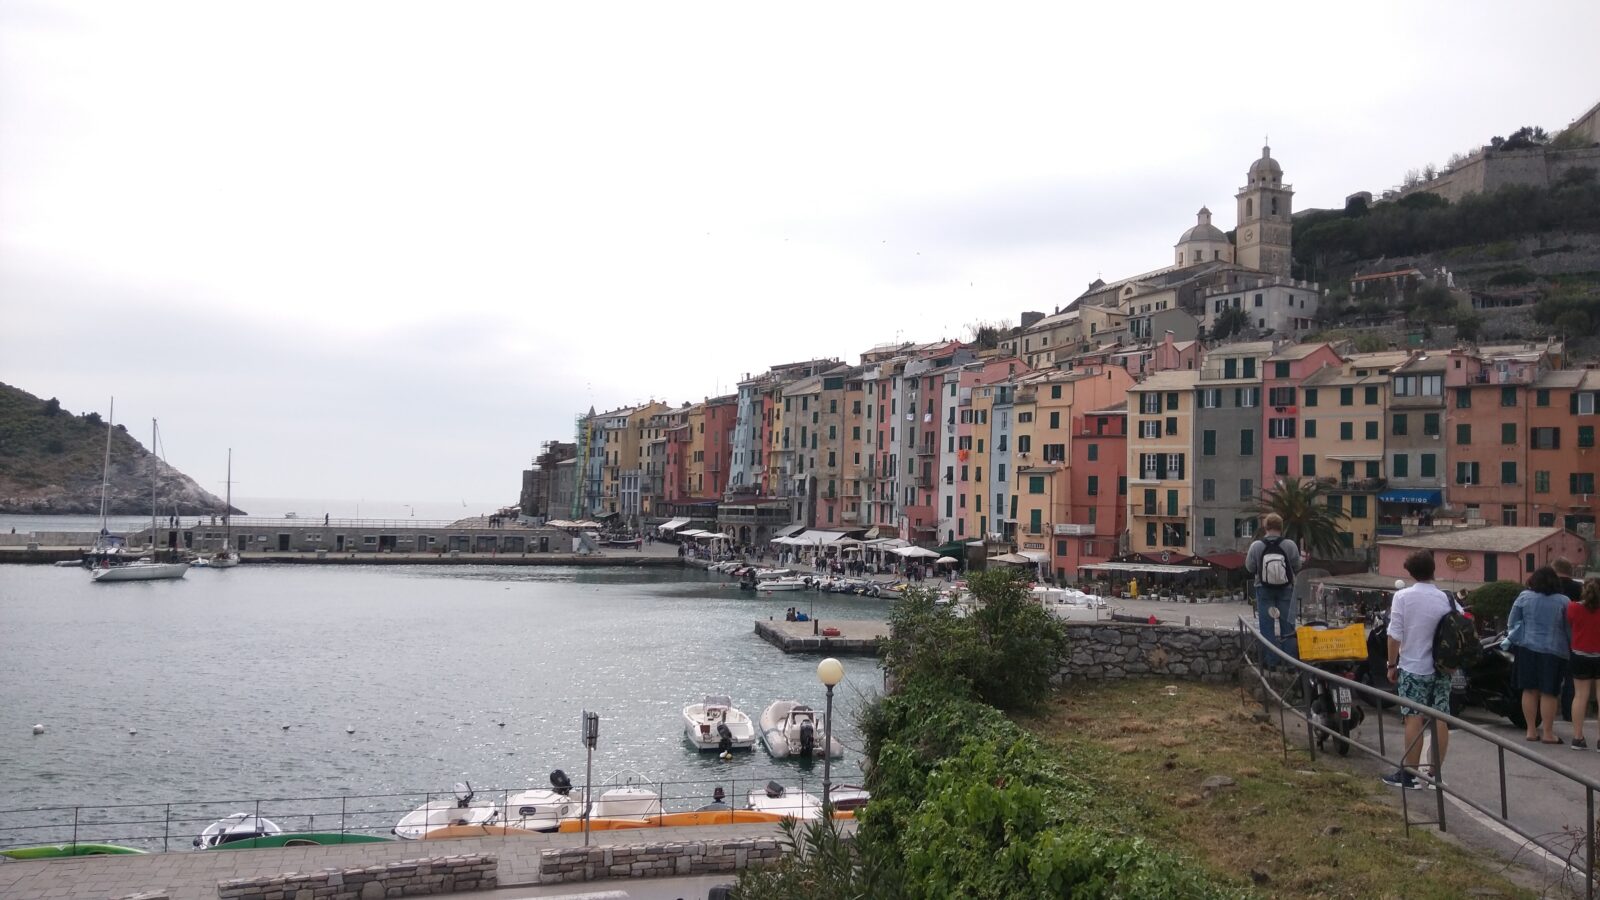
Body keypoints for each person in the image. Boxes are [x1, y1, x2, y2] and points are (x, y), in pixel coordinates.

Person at [1383, 550, 1455, 790]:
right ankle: (1436, 775)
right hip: (1442, 669)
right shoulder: (1447, 598)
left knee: (1413, 718)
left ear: (1410, 573)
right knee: (1440, 719)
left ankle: (1410, 775)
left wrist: (1391, 665)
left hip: (1413, 667)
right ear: (1433, 569)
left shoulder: (1403, 597)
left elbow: (1394, 636)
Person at [1509, 566, 1573, 744]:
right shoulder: (1564, 601)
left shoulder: (1524, 597)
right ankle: (1548, 733)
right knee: (1549, 692)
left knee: (1529, 690)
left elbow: (1512, 622)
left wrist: (1518, 638)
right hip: (1554, 651)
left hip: (1527, 647)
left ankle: (1530, 730)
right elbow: (1569, 629)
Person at [1245, 513, 1302, 660]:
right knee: (1288, 627)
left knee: (1267, 627)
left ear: (1266, 527)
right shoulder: (1290, 545)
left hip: (1264, 590)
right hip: (1286, 590)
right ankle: (1290, 663)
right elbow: (1297, 566)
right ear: (1281, 528)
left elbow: (1250, 568)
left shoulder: (1256, 546)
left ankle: (1270, 662)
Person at [1570, 580, 1600, 750]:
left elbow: (1569, 623)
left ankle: (1578, 737)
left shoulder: (1573, 608)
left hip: (1580, 655)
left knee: (1580, 696)